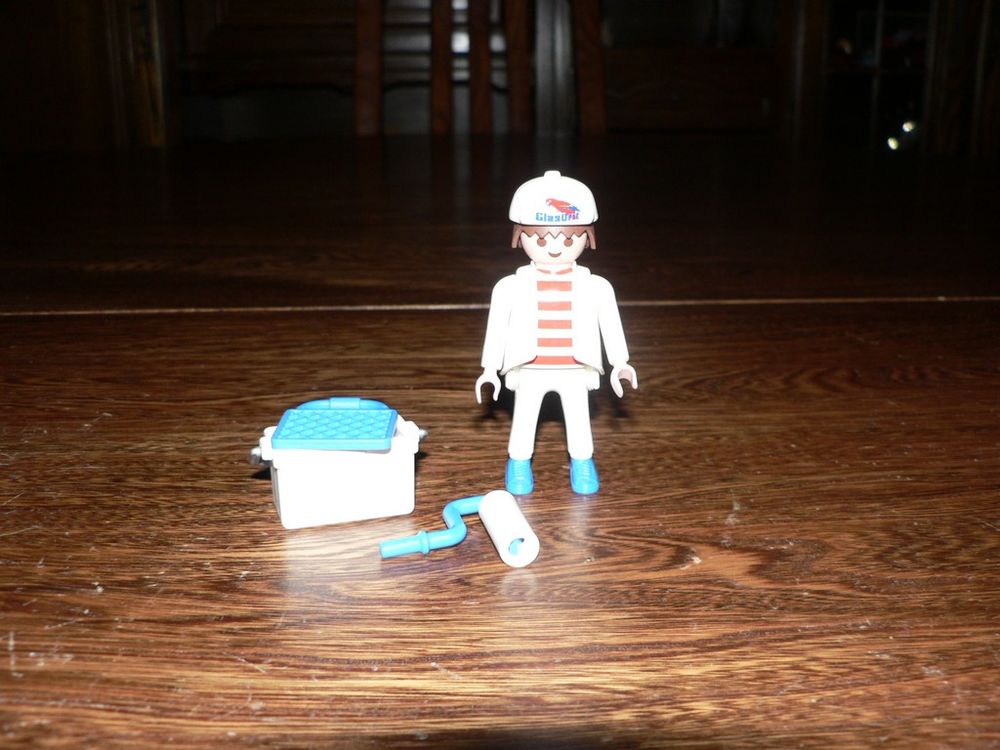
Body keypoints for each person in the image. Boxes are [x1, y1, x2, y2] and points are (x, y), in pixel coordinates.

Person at [475, 170, 638, 495]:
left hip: (575, 368)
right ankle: (518, 463)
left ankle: (583, 462)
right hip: (529, 368)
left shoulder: (596, 286)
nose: (553, 247)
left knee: (579, 420)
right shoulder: (509, 287)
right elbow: (496, 329)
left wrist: (620, 363)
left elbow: (611, 325)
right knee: (524, 419)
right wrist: (489, 369)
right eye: (540, 238)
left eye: (567, 239)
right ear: (519, 236)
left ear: (587, 237)